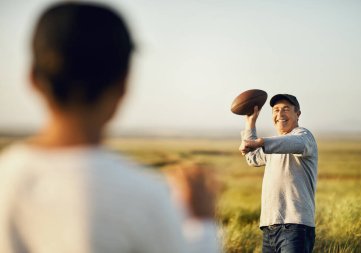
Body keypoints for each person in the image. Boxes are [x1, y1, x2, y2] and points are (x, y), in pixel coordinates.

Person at [0, 2, 219, 253]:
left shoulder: (5, 179)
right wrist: (203, 226)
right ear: (124, 86)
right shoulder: (146, 197)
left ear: (32, 79)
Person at [239, 94, 318, 253]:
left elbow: (295, 143)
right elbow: (252, 158)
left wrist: (261, 142)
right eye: (276, 110)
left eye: (286, 109)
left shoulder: (304, 136)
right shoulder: (274, 144)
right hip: (269, 228)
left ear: (298, 114)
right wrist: (250, 124)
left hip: (295, 227)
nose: (280, 115)